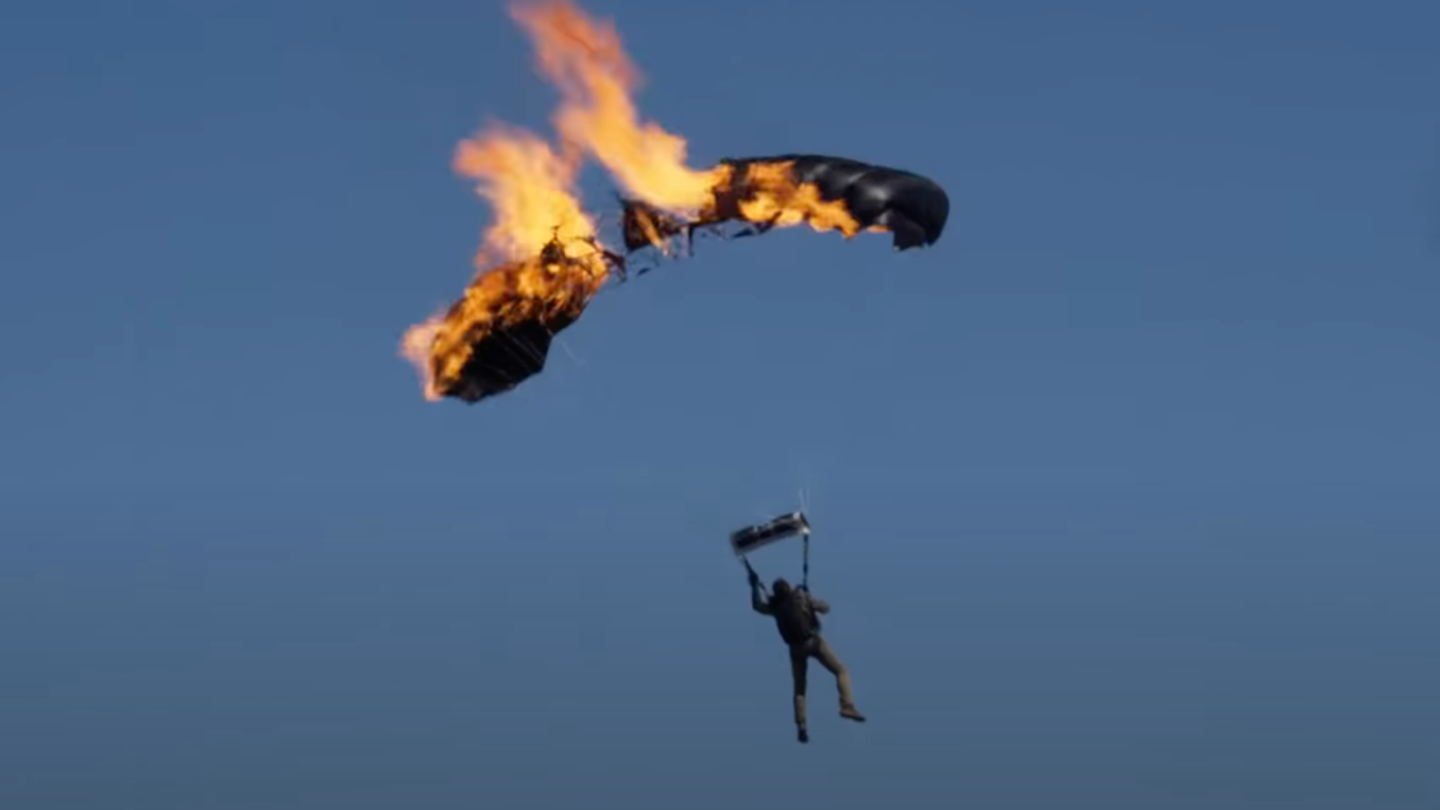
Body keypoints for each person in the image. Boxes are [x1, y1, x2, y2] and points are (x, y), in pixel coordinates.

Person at [748, 568, 866, 743]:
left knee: (799, 689)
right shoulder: (801, 596)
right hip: (814, 642)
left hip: (796, 649)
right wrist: (810, 597)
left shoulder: (775, 607)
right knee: (841, 671)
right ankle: (847, 705)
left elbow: (757, 606)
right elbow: (826, 608)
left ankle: (801, 725)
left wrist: (754, 587)